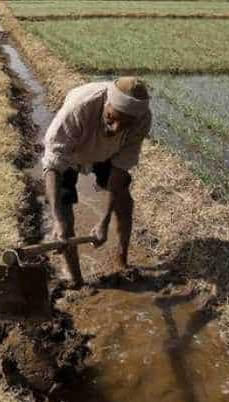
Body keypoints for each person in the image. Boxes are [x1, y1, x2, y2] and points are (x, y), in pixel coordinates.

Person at [41, 77, 152, 287]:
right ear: (106, 103)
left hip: (108, 153)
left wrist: (104, 220)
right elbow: (53, 165)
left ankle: (122, 260)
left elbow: (119, 172)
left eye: (125, 124)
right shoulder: (79, 108)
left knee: (124, 203)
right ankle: (77, 279)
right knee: (64, 216)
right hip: (73, 151)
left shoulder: (142, 119)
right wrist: (57, 219)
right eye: (111, 118)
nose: (116, 128)